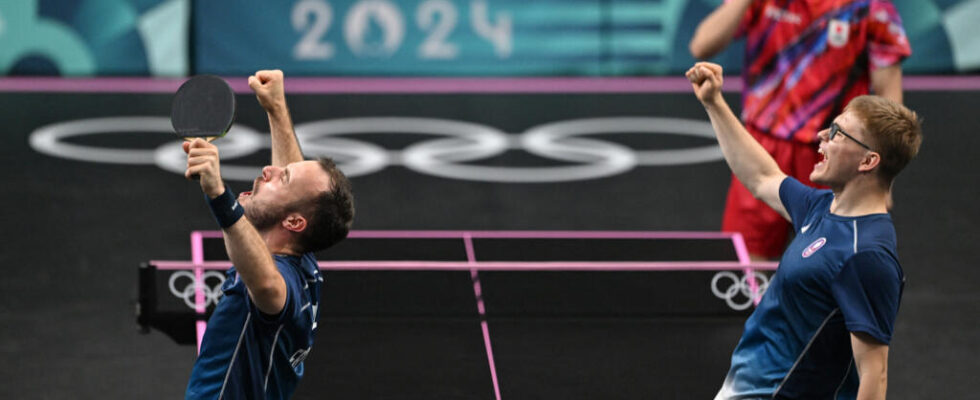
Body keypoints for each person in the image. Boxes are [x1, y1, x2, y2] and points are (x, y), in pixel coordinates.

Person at [687, 62, 921, 399]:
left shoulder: (864, 254)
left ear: (868, 161)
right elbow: (763, 177)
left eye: (838, 133)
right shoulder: (823, 208)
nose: (821, 137)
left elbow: (875, 373)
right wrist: (714, 103)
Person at [689, 0, 911, 260]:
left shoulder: (870, 7)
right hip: (760, 149)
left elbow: (888, 98)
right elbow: (701, 46)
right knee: (745, 268)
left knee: (833, 265)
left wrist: (883, 178)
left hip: (833, 152)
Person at [183, 70, 355, 399]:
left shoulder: (281, 286)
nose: (268, 170)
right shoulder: (301, 257)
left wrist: (219, 195)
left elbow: (265, 283)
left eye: (282, 178)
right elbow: (298, 198)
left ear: (293, 222)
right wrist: (275, 109)